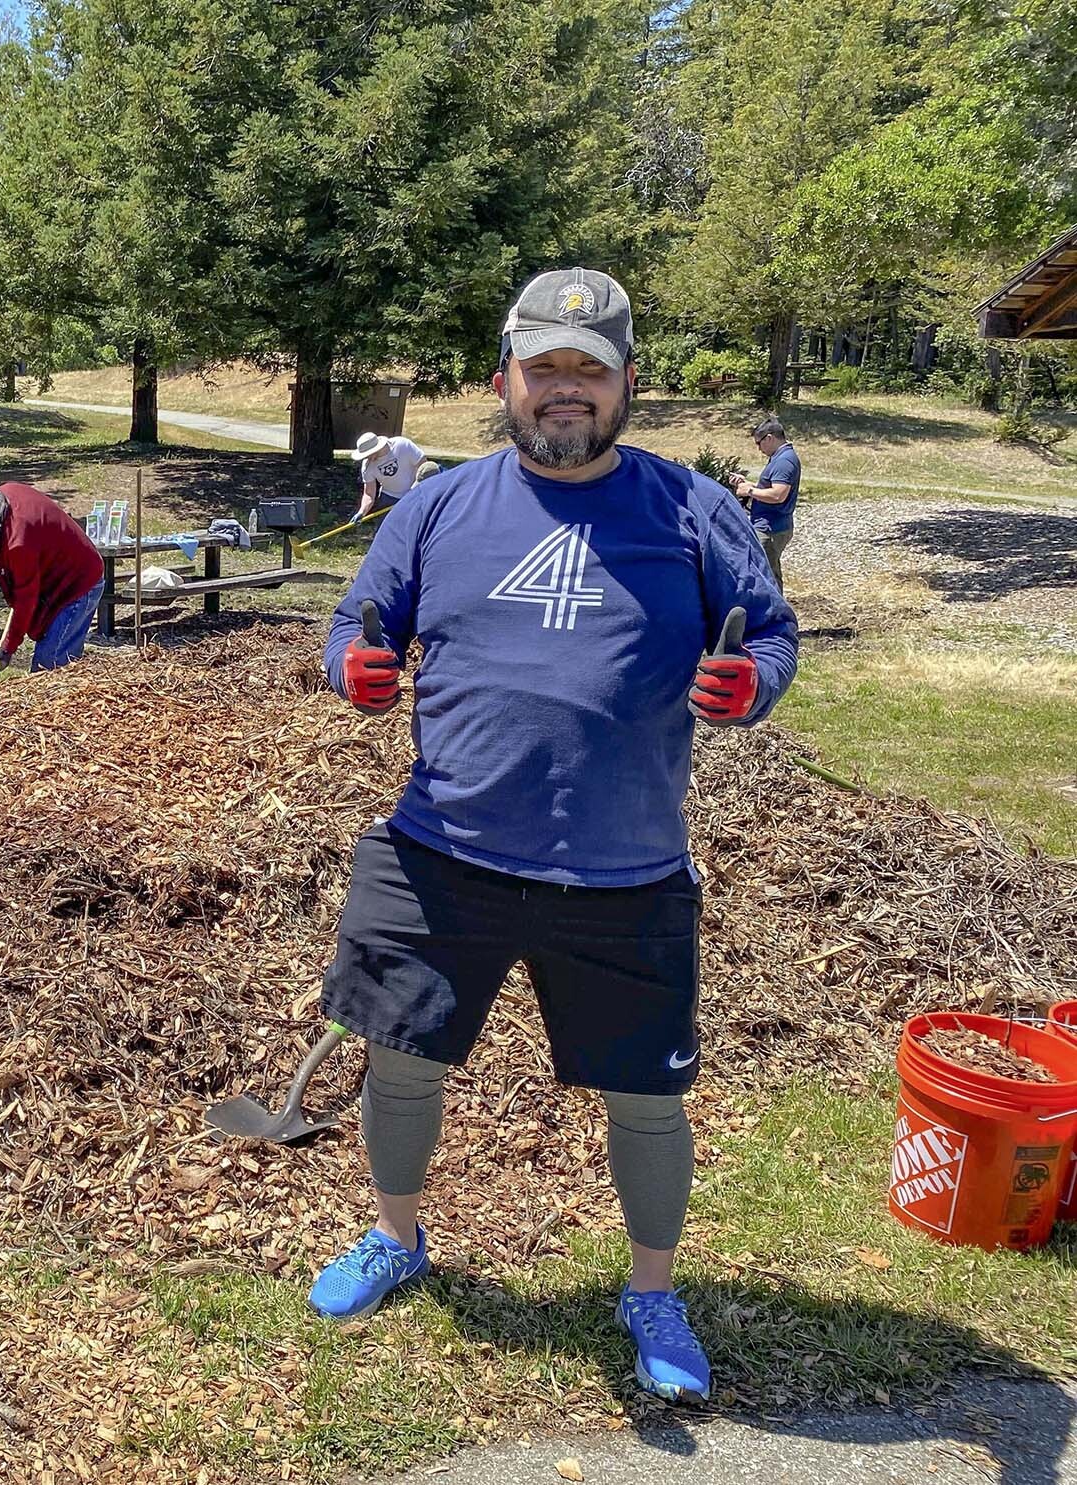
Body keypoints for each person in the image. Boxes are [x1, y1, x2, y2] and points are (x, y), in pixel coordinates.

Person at [313, 268, 797, 1404]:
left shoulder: (693, 509)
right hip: (442, 853)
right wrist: (355, 668)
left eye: (590, 371)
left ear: (628, 386)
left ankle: (651, 1291)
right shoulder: (438, 504)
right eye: (545, 371)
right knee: (402, 1058)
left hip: (624, 868)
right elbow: (356, 621)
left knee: (647, 1097)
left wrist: (749, 685)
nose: (564, 391)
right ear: (505, 384)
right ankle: (399, 1235)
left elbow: (770, 636)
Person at [0, 477, 104, 676]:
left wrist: (8, 647)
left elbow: (25, 598)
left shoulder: (18, 541)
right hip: (54, 575)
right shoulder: (7, 493)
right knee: (51, 666)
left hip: (79, 581)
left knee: (50, 668)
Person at [725, 418, 801, 590]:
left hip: (771, 528)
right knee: (764, 571)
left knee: (767, 575)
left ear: (769, 438)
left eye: (759, 443)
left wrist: (749, 492)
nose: (759, 449)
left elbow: (778, 495)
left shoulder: (784, 461)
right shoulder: (781, 457)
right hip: (770, 525)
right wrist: (748, 484)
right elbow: (771, 488)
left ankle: (777, 614)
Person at [346, 431, 436, 522]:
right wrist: (362, 512)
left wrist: (413, 491)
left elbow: (424, 465)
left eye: (368, 454)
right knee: (386, 529)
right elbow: (369, 493)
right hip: (389, 497)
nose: (367, 458)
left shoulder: (402, 445)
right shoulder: (367, 466)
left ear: (376, 448)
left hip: (416, 492)